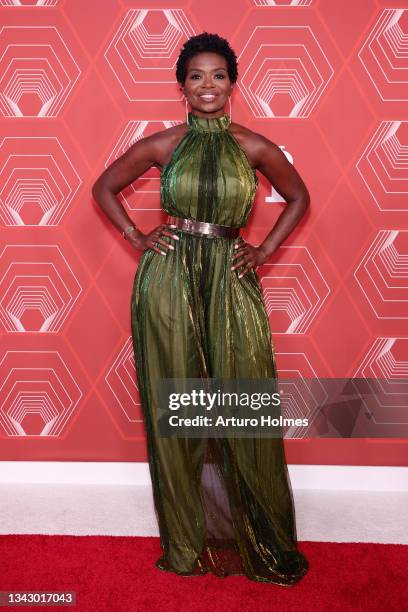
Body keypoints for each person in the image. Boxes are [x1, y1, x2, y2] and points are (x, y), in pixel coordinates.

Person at [92, 32, 310, 586]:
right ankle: (187, 539)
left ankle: (255, 533)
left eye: (217, 75)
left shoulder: (254, 145)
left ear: (233, 83)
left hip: (229, 275)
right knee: (178, 398)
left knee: (238, 395)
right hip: (167, 279)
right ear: (181, 86)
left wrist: (263, 251)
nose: (207, 85)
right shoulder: (163, 144)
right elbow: (104, 186)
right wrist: (136, 237)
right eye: (196, 76)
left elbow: (300, 197)